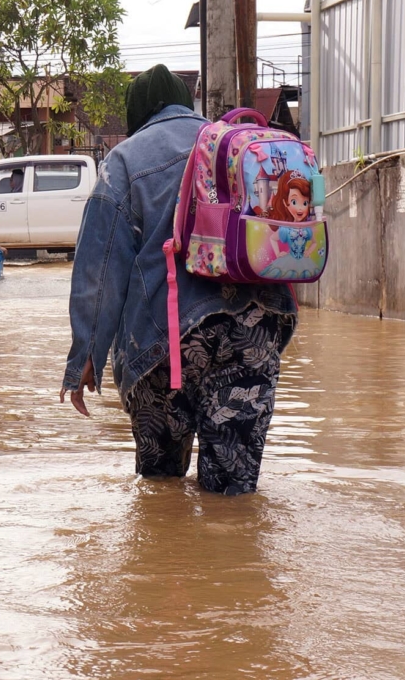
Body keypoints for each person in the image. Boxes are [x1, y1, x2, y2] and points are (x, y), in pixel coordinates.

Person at [61, 64, 297, 496]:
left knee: (160, 488)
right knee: (233, 493)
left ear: (139, 112)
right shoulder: (237, 144)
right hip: (256, 324)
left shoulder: (126, 159)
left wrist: (85, 355)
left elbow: (102, 264)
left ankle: (169, 562)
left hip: (167, 339)